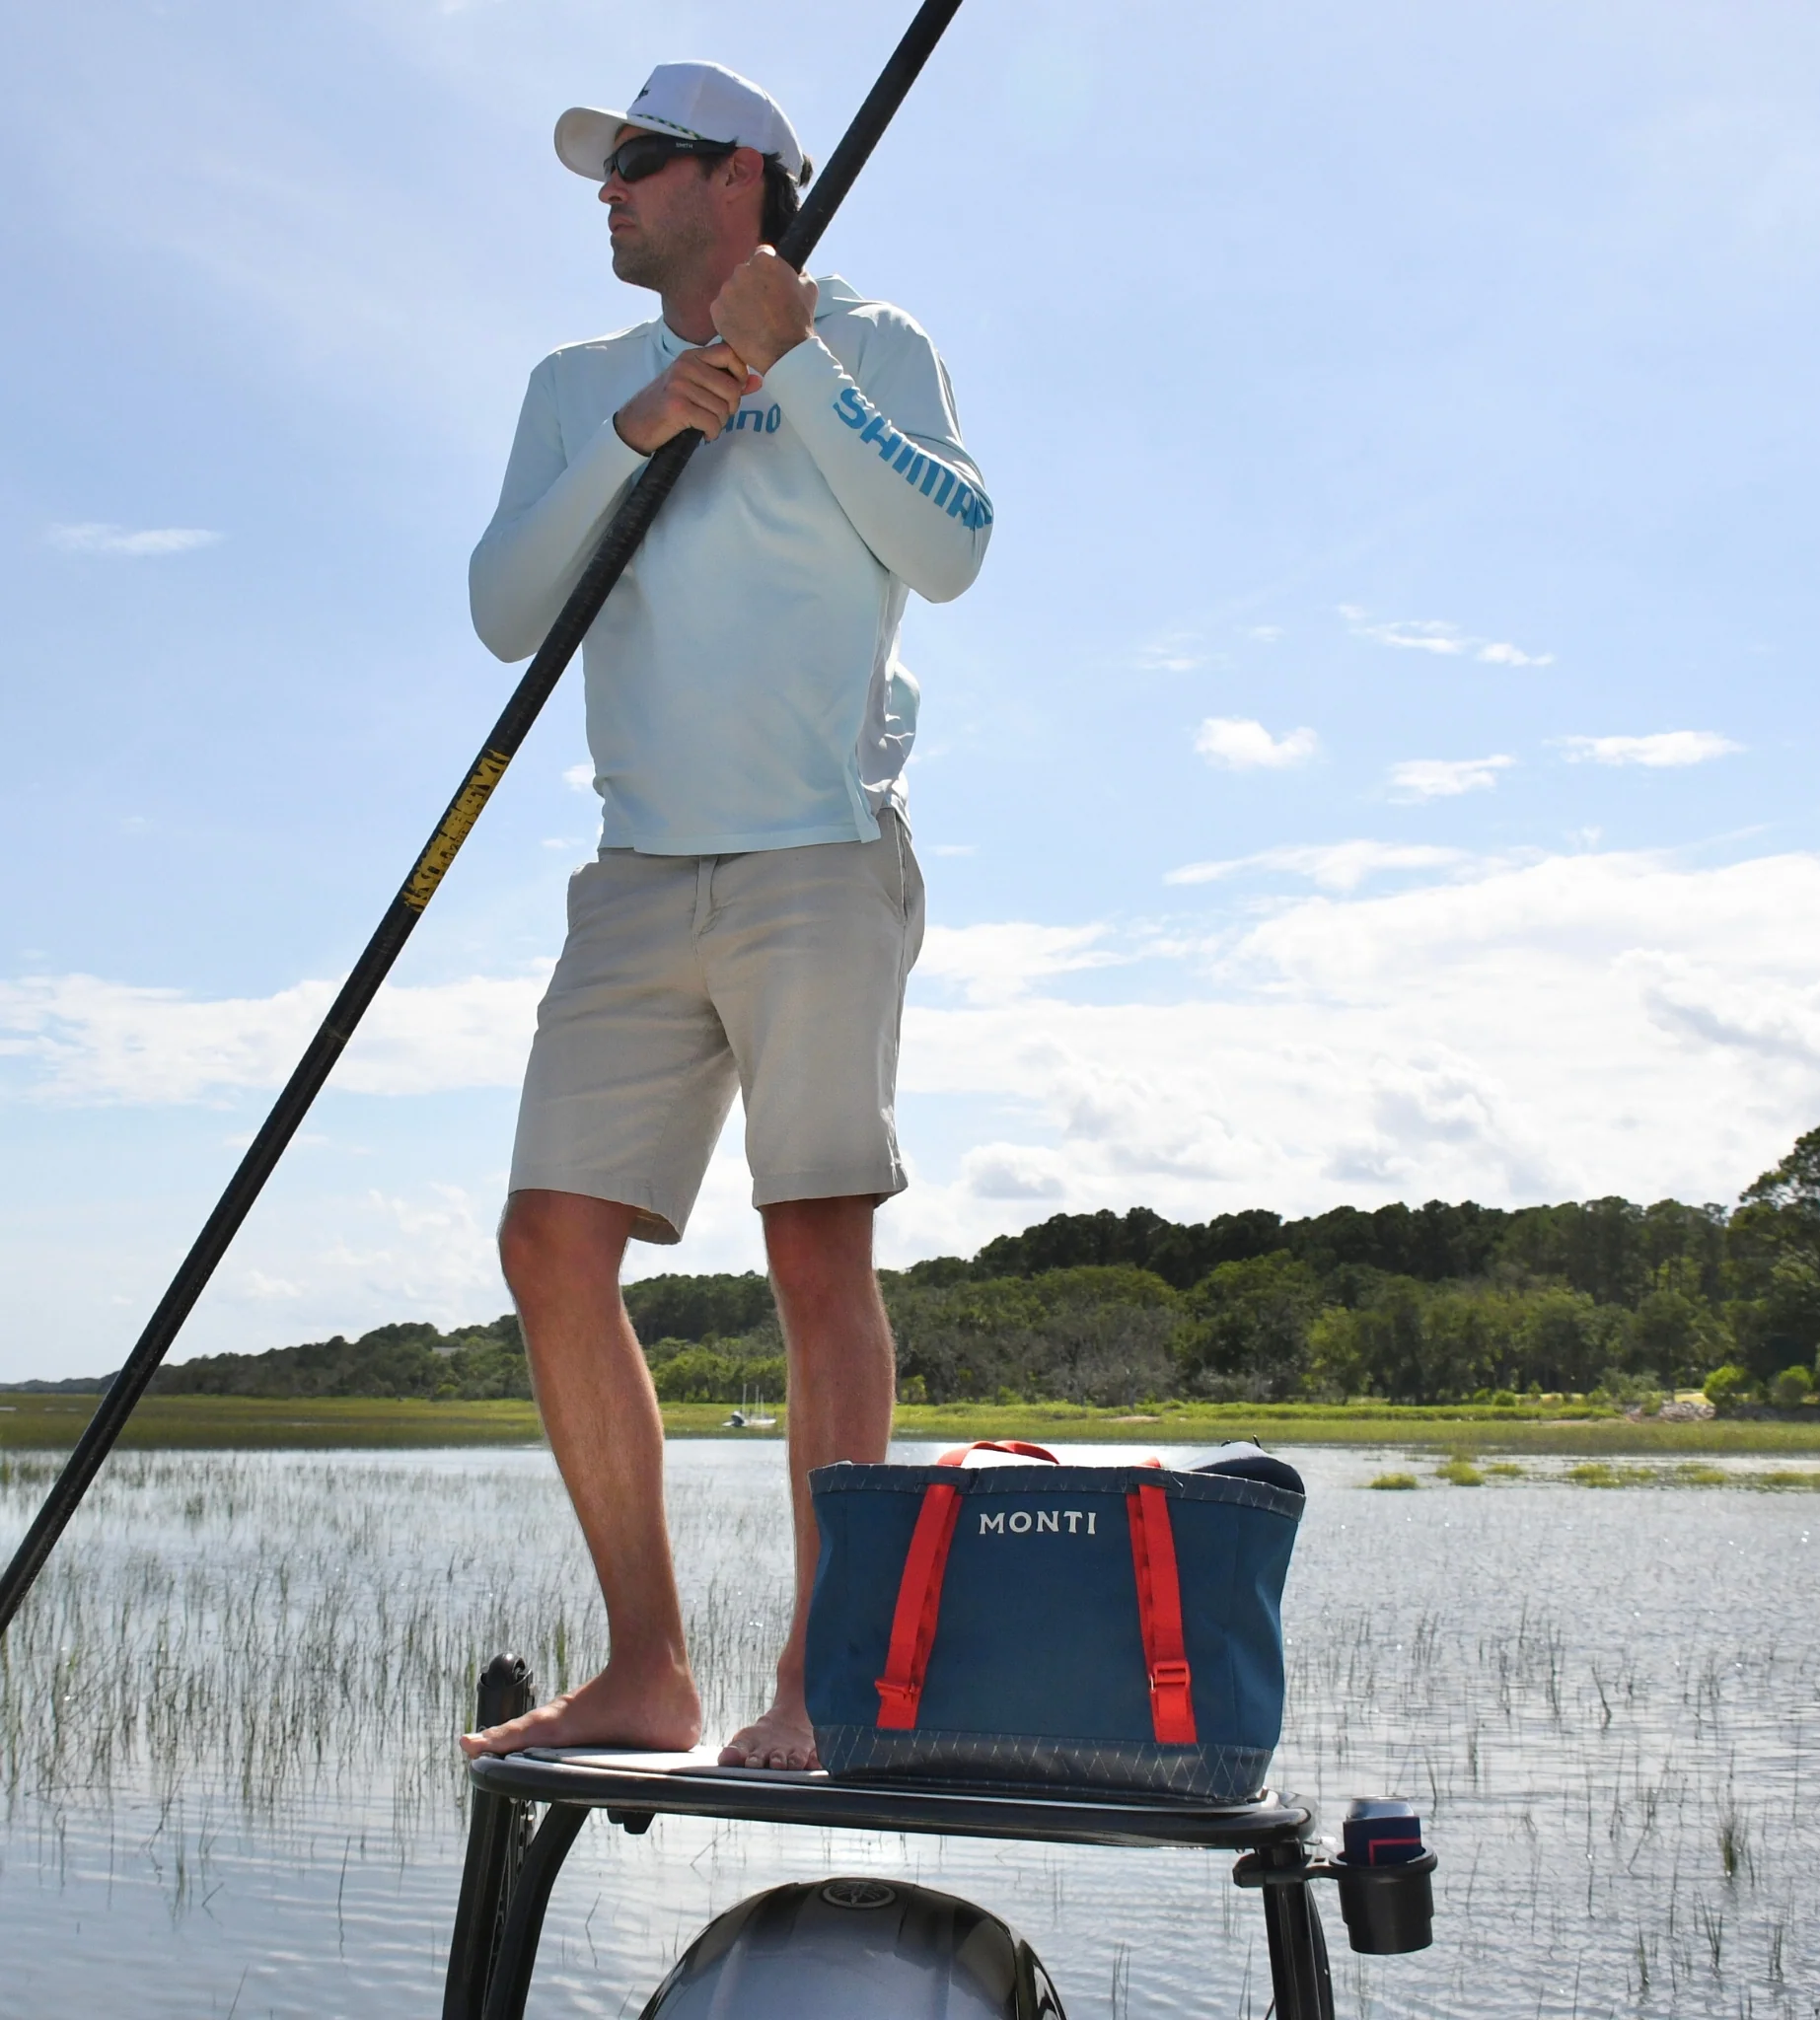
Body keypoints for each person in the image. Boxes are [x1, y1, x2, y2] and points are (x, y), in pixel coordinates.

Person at [457, 61, 991, 1768]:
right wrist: (641, 430)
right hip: (635, 874)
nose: (605, 192)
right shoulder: (576, 382)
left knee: (814, 1251)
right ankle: (646, 1670)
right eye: (606, 170)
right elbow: (500, 610)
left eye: (638, 164)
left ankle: (818, 1684)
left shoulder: (875, 340)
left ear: (741, 178)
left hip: (820, 859)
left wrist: (796, 365)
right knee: (549, 1246)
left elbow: (957, 545)